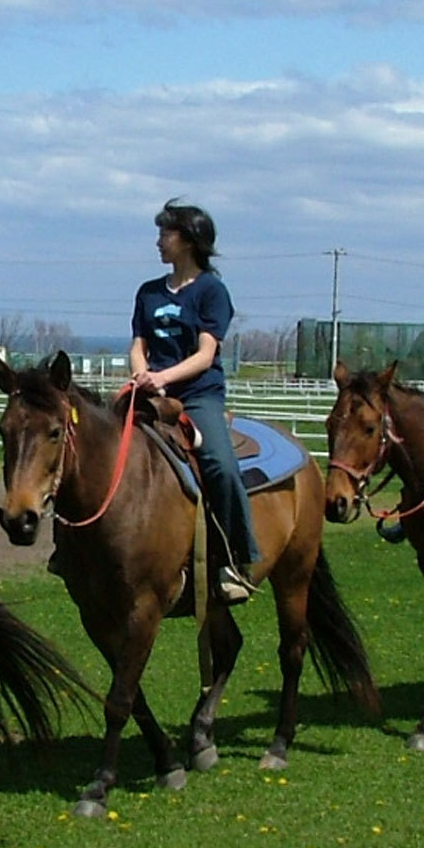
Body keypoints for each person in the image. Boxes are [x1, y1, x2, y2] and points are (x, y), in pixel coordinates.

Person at [130, 199, 261, 604]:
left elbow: (206, 355)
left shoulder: (211, 291)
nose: (158, 242)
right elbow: (138, 344)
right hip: (151, 390)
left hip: (197, 394)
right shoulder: (149, 292)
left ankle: (234, 558)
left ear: (188, 241)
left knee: (220, 465)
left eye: (165, 234)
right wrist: (141, 375)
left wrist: (163, 378)